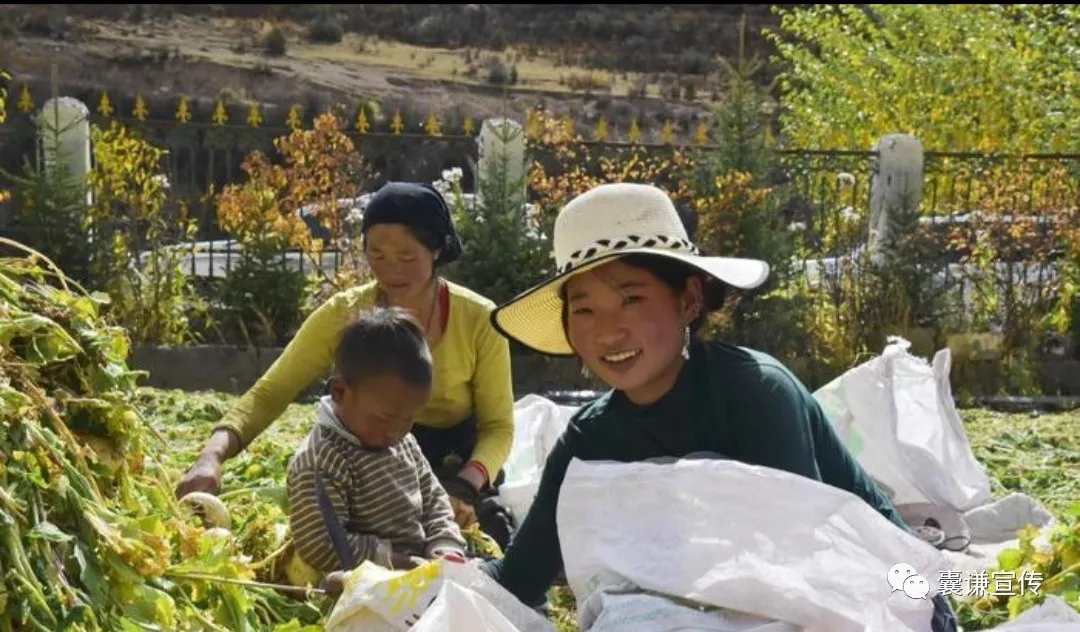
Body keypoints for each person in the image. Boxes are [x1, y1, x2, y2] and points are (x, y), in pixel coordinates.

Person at [480, 182, 959, 631]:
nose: (607, 331)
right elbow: (520, 578)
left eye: (630, 299)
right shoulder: (590, 439)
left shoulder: (755, 393)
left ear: (689, 299)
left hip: (878, 596)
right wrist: (436, 578)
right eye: (584, 309)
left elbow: (805, 568)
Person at [175, 181, 517, 548]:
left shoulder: (480, 319)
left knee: (483, 533)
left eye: (406, 256)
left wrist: (464, 486)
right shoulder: (344, 313)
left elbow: (498, 426)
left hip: (450, 463)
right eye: (377, 254)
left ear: (437, 251)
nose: (390, 269)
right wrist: (211, 456)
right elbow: (272, 392)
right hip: (361, 456)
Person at [286, 307, 467, 583]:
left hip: (420, 563)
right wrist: (400, 563)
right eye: (386, 418)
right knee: (339, 583)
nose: (397, 431)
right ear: (340, 392)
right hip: (371, 574)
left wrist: (444, 544)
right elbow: (322, 544)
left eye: (409, 418)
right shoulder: (321, 460)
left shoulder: (403, 440)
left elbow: (433, 497)